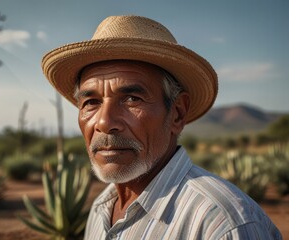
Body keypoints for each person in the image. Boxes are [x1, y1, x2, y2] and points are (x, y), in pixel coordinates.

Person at [42, 15, 282, 240]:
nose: (104, 122)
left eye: (132, 99)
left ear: (177, 113)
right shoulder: (101, 208)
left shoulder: (221, 224)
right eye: (91, 102)